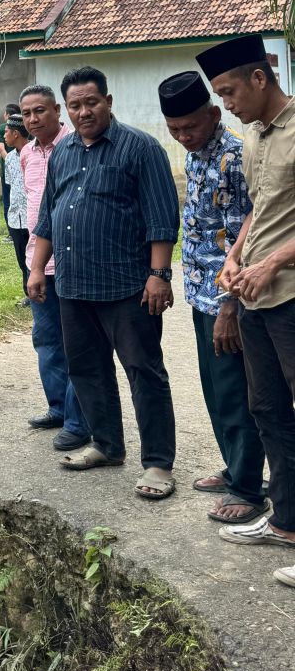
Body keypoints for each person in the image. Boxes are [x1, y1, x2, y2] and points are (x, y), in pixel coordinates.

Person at [28, 66, 179, 500]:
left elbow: (161, 219)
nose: (83, 111)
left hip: (128, 286)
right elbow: (47, 218)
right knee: (88, 370)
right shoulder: (64, 152)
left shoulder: (140, 148)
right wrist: (38, 269)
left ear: (108, 102)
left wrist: (158, 275)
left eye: (91, 102)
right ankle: (108, 445)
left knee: (144, 372)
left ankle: (158, 463)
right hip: (73, 287)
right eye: (75, 105)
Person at [196, 36, 295, 582]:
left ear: (260, 79)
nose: (226, 103)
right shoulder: (255, 136)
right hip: (256, 294)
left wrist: (274, 263)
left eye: (230, 91)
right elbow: (260, 210)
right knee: (269, 409)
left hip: (290, 294)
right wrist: (236, 260)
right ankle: (285, 518)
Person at [158, 70, 263, 524]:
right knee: (214, 390)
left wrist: (229, 306)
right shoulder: (199, 155)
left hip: (228, 299)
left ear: (214, 114)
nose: (183, 136)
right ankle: (234, 466)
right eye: (174, 130)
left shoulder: (234, 157)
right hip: (201, 294)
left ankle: (248, 488)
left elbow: (246, 236)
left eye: (191, 127)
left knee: (237, 392)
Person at [18, 84, 89, 451]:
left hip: (74, 263)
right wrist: (33, 264)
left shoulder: (77, 146)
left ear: (57, 110)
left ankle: (80, 421)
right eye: (26, 113)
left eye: (40, 111)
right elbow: (34, 211)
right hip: (38, 261)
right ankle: (58, 408)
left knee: (78, 343)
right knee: (45, 339)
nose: (32, 119)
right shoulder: (26, 153)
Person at [3, 116, 31, 293]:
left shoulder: (36, 153)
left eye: (6, 132)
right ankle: (28, 292)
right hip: (16, 217)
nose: (3, 135)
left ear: (16, 133)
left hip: (32, 217)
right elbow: (11, 184)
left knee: (35, 258)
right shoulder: (10, 158)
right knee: (22, 258)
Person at [0, 103, 20, 219]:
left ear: (8, 115)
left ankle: (11, 234)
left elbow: (1, 148)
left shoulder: (2, 128)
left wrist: (11, 163)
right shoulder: (24, 126)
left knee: (8, 201)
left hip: (7, 170)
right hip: (22, 167)